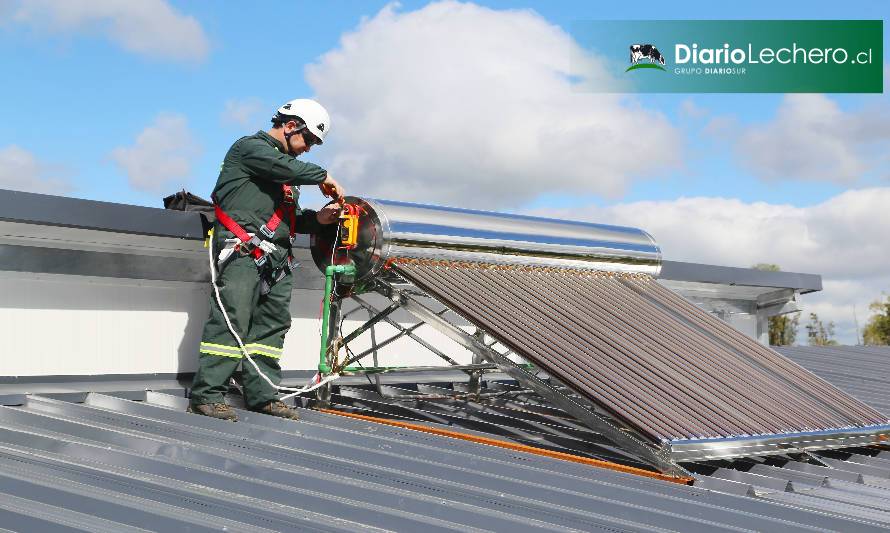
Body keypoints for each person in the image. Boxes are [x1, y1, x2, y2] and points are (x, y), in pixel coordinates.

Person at [188, 99, 344, 421]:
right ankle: (206, 395)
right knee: (233, 318)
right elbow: (284, 167)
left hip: (277, 258)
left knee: (272, 326)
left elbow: (291, 220)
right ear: (290, 126)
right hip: (241, 249)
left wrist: (320, 221)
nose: (308, 149)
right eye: (309, 140)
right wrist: (323, 176)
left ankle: (262, 395)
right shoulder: (250, 150)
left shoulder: (284, 177)